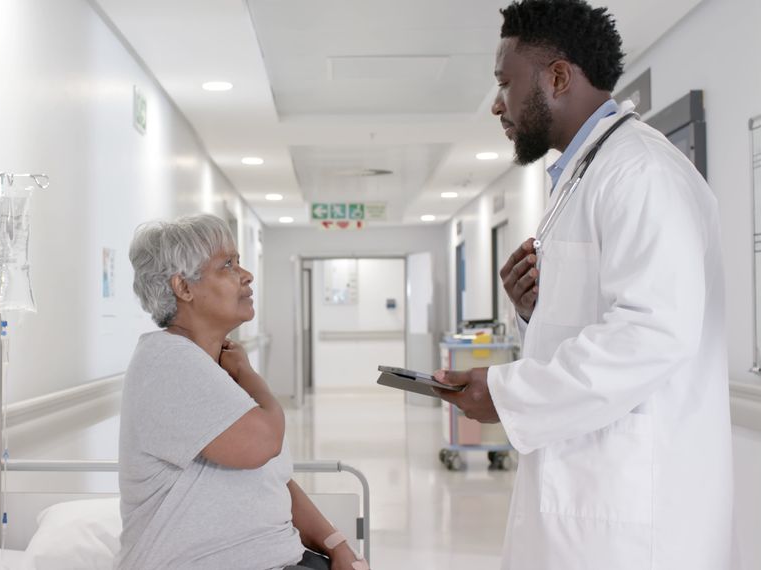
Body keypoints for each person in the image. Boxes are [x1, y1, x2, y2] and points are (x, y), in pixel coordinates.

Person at [433, 1, 733, 569]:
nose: (498, 103)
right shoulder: (583, 176)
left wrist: (506, 393)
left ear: (559, 76)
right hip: (588, 494)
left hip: (631, 519)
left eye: (505, 83)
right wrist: (534, 312)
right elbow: (601, 318)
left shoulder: (640, 172)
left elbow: (653, 332)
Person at [118, 213, 368, 570]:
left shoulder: (210, 365)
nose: (247, 275)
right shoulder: (167, 361)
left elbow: (272, 478)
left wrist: (337, 545)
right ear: (183, 288)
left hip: (282, 556)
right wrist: (250, 376)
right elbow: (264, 442)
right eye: (228, 265)